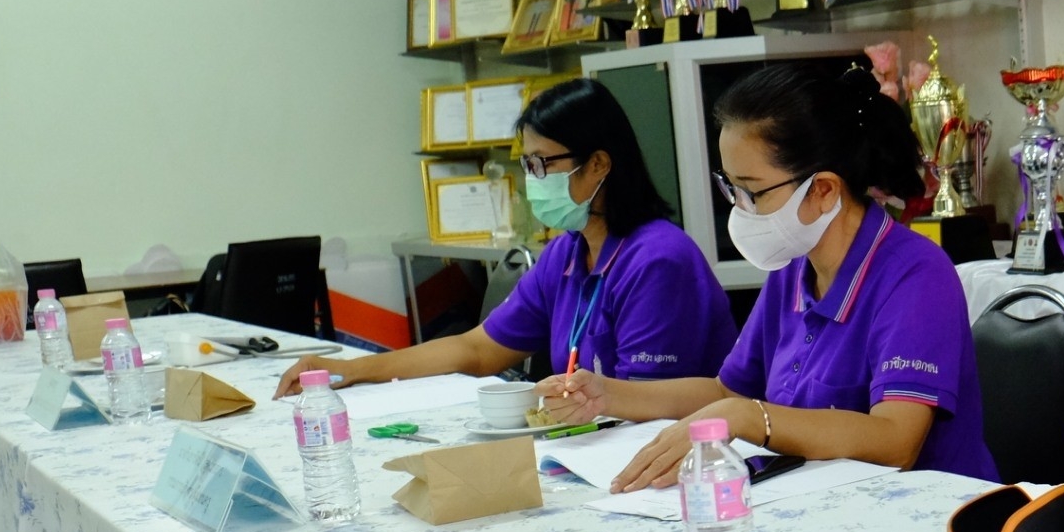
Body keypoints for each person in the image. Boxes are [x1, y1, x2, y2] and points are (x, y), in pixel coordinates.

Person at [539, 63, 999, 489]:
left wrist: (750, 417)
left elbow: (895, 440)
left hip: (926, 523)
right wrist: (606, 396)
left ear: (822, 190)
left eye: (752, 192)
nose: (740, 210)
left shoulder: (915, 274)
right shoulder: (795, 266)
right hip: (816, 507)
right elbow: (725, 391)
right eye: (731, 188)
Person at [276, 79, 735, 398]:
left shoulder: (658, 260)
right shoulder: (566, 254)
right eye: (527, 165)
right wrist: (357, 369)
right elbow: (477, 349)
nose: (532, 179)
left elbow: (646, 403)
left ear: (598, 164)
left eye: (542, 164)